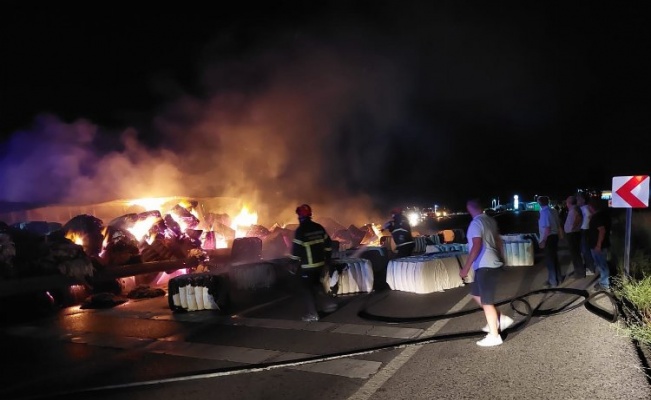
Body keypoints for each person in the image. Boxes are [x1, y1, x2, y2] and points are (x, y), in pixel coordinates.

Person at [459, 199, 513, 347]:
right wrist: (502, 258)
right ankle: (500, 319)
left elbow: (477, 245)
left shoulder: (476, 223)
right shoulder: (490, 221)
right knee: (476, 294)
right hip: (486, 265)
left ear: (469, 209)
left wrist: (465, 268)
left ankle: (495, 336)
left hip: (486, 265)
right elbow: (498, 241)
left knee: (487, 302)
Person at [289, 204, 333, 322]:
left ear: (300, 216)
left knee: (307, 289)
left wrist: (292, 262)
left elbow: (296, 251)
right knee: (317, 284)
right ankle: (328, 304)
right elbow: (329, 245)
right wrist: (327, 261)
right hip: (320, 264)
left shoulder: (301, 230)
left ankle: (313, 314)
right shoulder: (319, 227)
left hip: (308, 266)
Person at [538, 196, 563, 287]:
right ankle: (558, 278)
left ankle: (553, 281)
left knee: (550, 261)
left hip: (548, 238)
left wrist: (543, 241)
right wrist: (560, 235)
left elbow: (547, 228)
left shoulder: (544, 212)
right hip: (554, 237)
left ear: (540, 203)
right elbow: (559, 224)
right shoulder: (554, 211)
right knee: (554, 258)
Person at [587, 198, 612, 290]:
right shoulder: (603, 215)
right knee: (601, 264)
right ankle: (603, 281)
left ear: (591, 207)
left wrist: (598, 245)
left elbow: (602, 231)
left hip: (598, 246)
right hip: (602, 244)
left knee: (602, 265)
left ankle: (605, 284)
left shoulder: (597, 217)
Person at [564, 195, 584, 278]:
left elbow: (579, 217)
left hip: (573, 234)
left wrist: (573, 227)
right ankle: (578, 271)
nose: (566, 203)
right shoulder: (573, 209)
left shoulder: (575, 208)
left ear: (569, 202)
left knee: (575, 253)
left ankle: (579, 273)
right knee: (575, 253)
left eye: (567, 202)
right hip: (573, 233)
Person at [576, 192, 596, 276]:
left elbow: (593, 215)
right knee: (585, 250)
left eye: (578, 199)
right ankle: (590, 267)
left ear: (583, 200)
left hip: (585, 230)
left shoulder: (585, 208)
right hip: (585, 230)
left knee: (585, 250)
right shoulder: (585, 207)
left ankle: (591, 269)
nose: (577, 201)